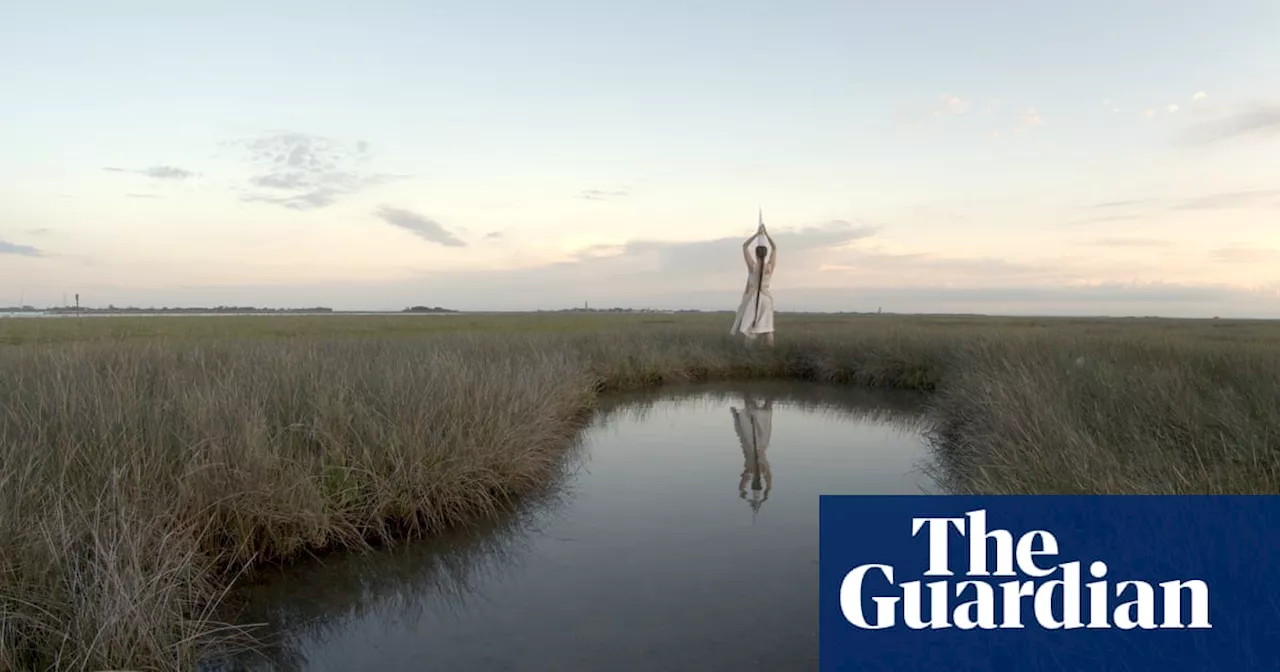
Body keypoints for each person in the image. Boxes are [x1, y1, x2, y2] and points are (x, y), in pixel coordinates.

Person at [729, 213, 777, 347]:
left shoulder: (753, 266)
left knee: (749, 328)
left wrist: (757, 234)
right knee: (768, 329)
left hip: (754, 297)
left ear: (755, 253)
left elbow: (744, 246)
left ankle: (747, 354)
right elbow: (775, 248)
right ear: (765, 253)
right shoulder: (769, 267)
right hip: (766, 298)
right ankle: (770, 355)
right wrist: (766, 234)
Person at [730, 391, 774, 519]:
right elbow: (769, 482)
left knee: (751, 415)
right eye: (758, 485)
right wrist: (765, 493)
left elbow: (742, 485)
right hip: (759, 442)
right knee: (762, 415)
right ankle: (764, 393)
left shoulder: (750, 472)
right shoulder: (762, 471)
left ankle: (748, 391)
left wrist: (744, 494)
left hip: (750, 443)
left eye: (756, 485)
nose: (757, 484)